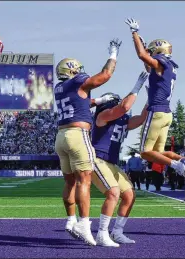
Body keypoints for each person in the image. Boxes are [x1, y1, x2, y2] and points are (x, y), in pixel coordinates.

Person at [54, 38, 122, 246]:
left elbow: (81, 100)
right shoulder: (77, 81)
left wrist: (99, 101)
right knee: (85, 180)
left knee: (69, 182)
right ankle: (84, 224)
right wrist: (113, 54)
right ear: (73, 70)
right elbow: (105, 76)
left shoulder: (59, 87)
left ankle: (71, 220)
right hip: (78, 134)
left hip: (61, 137)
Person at [124, 18, 185, 183]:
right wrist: (144, 48)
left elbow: (142, 56)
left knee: (144, 152)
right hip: (166, 114)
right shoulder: (170, 66)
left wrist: (134, 33)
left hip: (156, 112)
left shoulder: (161, 63)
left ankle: (176, 165)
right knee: (157, 154)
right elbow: (149, 66)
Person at [91, 71, 148, 247]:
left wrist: (151, 99)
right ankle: (101, 234)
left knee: (129, 195)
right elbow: (123, 108)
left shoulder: (121, 120)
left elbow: (141, 119)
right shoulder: (101, 117)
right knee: (114, 192)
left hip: (112, 163)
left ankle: (117, 232)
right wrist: (137, 87)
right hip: (98, 159)